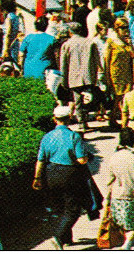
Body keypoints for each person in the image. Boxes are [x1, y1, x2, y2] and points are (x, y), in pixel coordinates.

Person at [34, 105, 93, 250]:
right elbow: (81, 160)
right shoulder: (74, 136)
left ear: (54, 119)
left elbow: (40, 160)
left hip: (51, 174)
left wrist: (37, 178)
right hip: (69, 175)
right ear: (70, 118)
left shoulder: (46, 137)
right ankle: (58, 237)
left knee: (60, 208)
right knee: (73, 209)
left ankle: (67, 239)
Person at [105, 127, 134, 250]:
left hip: (117, 195)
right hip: (133, 194)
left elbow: (110, 180)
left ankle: (125, 241)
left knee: (122, 221)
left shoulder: (114, 157)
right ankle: (127, 243)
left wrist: (107, 198)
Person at [60, 22, 101, 130]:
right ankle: (85, 120)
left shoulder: (66, 45)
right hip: (88, 76)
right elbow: (97, 61)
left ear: (70, 31)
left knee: (77, 101)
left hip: (73, 77)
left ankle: (81, 122)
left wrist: (63, 80)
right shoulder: (90, 43)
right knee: (88, 100)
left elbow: (63, 64)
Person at [105, 18, 134, 130]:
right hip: (115, 73)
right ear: (116, 28)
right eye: (122, 28)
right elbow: (107, 59)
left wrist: (130, 44)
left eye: (126, 27)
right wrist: (107, 76)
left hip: (126, 73)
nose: (125, 30)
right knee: (118, 98)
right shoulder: (111, 41)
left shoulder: (126, 41)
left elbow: (133, 55)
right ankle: (116, 119)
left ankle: (119, 120)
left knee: (125, 97)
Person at [0, 0, 24, 67]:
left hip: (9, 43)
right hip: (15, 42)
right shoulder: (15, 16)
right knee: (14, 64)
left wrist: (6, 49)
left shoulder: (9, 17)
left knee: (7, 65)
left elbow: (8, 33)